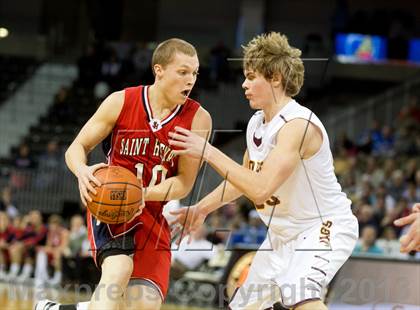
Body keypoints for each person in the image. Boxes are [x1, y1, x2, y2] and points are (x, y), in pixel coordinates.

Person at [169, 32, 358, 310]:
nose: (244, 84)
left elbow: (259, 189)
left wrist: (208, 151)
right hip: (281, 235)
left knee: (301, 294)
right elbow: (244, 179)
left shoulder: (297, 125)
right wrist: (202, 208)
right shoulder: (257, 123)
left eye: (251, 76)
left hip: (322, 226)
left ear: (276, 78)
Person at [36, 38, 211, 310]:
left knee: (141, 305)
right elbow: (76, 148)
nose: (191, 80)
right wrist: (82, 171)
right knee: (117, 273)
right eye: (183, 71)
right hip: (112, 206)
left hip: (152, 215)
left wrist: (146, 193)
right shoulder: (121, 101)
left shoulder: (198, 119)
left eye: (195, 73)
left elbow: (185, 183)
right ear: (159, 70)